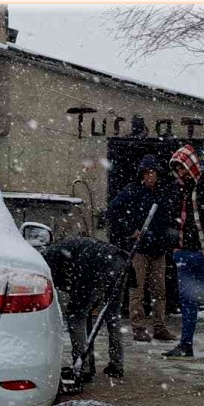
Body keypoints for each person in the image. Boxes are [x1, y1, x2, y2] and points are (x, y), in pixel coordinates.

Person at [162, 144, 204, 360]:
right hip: (184, 254)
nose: (180, 172)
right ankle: (186, 345)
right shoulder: (176, 189)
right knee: (187, 301)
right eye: (176, 168)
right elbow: (172, 219)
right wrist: (175, 246)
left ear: (191, 165)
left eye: (182, 167)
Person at [106, 154, 175, 343]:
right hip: (139, 250)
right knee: (137, 291)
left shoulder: (162, 193)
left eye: (153, 172)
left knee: (159, 291)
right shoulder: (132, 191)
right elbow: (112, 211)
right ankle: (138, 328)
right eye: (147, 172)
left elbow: (169, 216)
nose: (151, 176)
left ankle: (159, 327)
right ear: (142, 174)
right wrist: (130, 230)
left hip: (158, 249)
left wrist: (167, 237)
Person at [44, 235, 129, 380]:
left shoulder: (46, 261)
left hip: (94, 264)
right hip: (118, 259)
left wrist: (82, 300)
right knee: (113, 315)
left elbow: (59, 284)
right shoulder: (61, 250)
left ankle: (82, 368)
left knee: (76, 315)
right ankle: (116, 365)